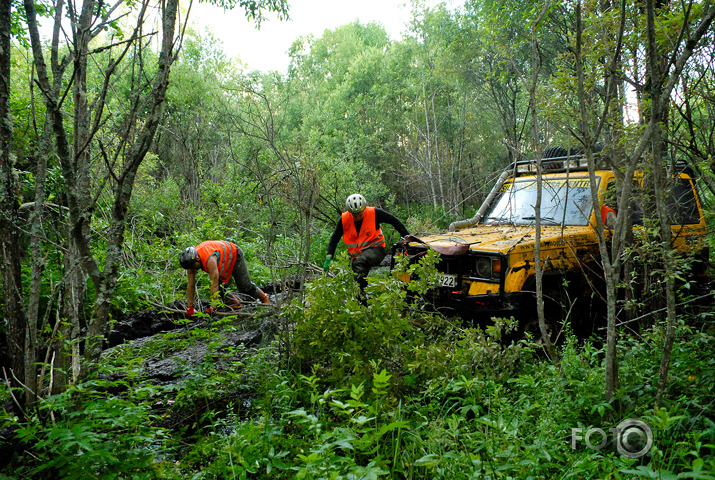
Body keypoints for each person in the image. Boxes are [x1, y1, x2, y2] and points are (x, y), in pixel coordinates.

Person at [323, 194, 410, 290]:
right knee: (355, 276)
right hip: (357, 255)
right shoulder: (344, 220)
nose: (357, 218)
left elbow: (393, 220)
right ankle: (361, 297)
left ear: (364, 209)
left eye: (360, 215)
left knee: (359, 263)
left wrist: (406, 235)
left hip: (377, 250)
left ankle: (360, 295)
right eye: (354, 216)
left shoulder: (375, 213)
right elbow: (335, 238)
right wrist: (329, 256)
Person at [179, 240, 269, 317]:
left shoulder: (208, 259)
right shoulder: (191, 263)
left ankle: (264, 298)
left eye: (195, 266)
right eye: (191, 267)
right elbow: (190, 286)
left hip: (234, 253)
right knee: (221, 289)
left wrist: (213, 307)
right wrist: (190, 307)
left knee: (245, 287)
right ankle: (236, 306)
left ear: (197, 258)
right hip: (222, 260)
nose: (194, 269)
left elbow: (213, 283)